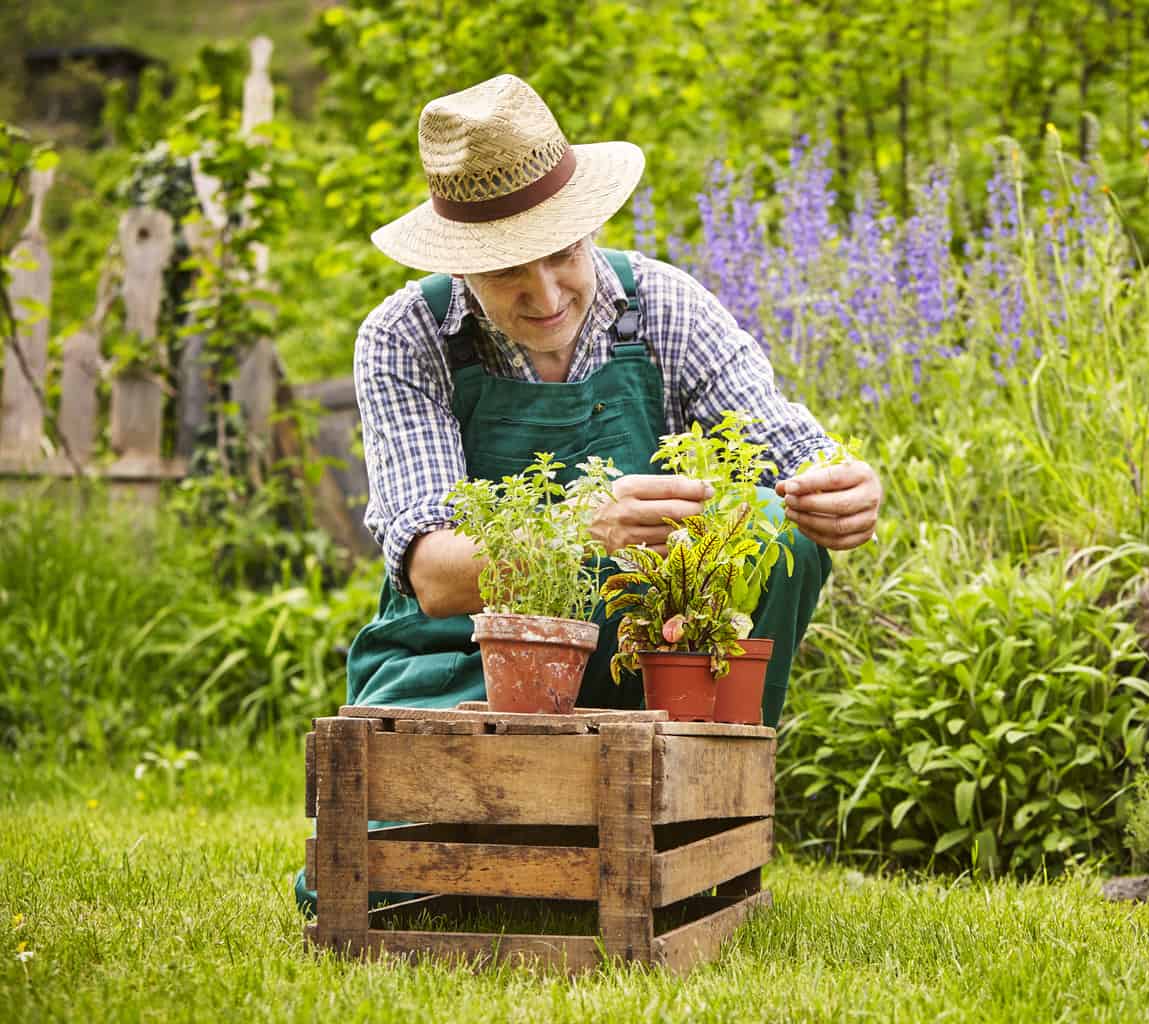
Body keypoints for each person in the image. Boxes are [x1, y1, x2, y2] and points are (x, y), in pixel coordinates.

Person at [345, 73, 882, 727]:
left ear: (588, 227)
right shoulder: (408, 336)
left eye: (563, 255)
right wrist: (579, 528)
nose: (546, 297)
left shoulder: (663, 305)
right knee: (443, 812)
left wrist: (840, 487)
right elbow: (433, 574)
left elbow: (794, 452)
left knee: (781, 529)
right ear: (460, 264)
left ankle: (711, 789)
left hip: (633, 659)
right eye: (509, 269)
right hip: (450, 660)